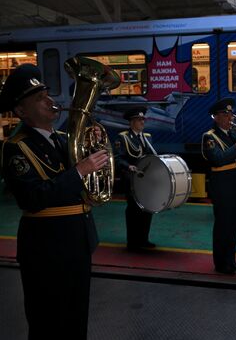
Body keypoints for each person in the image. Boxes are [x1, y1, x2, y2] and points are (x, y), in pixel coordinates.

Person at [0, 64, 109, 339]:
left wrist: (98, 152)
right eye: (39, 98)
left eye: (47, 93)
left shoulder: (64, 139)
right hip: (46, 247)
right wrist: (81, 170)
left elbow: (86, 181)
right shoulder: (16, 147)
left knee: (76, 318)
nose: (51, 101)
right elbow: (33, 197)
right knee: (48, 321)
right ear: (22, 112)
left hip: (77, 240)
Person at [202, 97, 236, 274]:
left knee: (234, 224)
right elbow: (218, 159)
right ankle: (220, 263)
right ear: (216, 117)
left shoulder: (232, 133)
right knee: (223, 225)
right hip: (223, 183)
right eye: (225, 114)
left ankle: (230, 259)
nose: (229, 117)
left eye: (230, 113)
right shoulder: (209, 137)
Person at [114, 107, 157, 251]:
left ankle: (144, 239)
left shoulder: (148, 137)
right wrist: (128, 167)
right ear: (132, 122)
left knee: (147, 208)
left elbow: (151, 156)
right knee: (134, 210)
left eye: (143, 119)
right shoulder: (123, 137)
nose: (142, 122)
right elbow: (118, 158)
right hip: (132, 178)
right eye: (139, 120)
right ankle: (132, 242)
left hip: (146, 179)